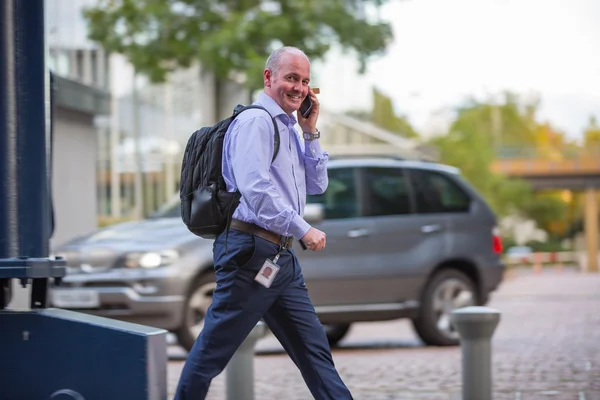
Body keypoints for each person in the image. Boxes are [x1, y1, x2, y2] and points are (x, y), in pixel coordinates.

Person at [174, 46, 353, 400]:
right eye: (291, 78)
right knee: (211, 351)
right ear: (269, 78)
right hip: (250, 254)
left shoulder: (288, 127)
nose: (299, 88)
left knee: (316, 355)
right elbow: (256, 191)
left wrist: (309, 130)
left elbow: (317, 185)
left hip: (279, 258)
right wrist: (304, 229)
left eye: (305, 81)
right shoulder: (256, 122)